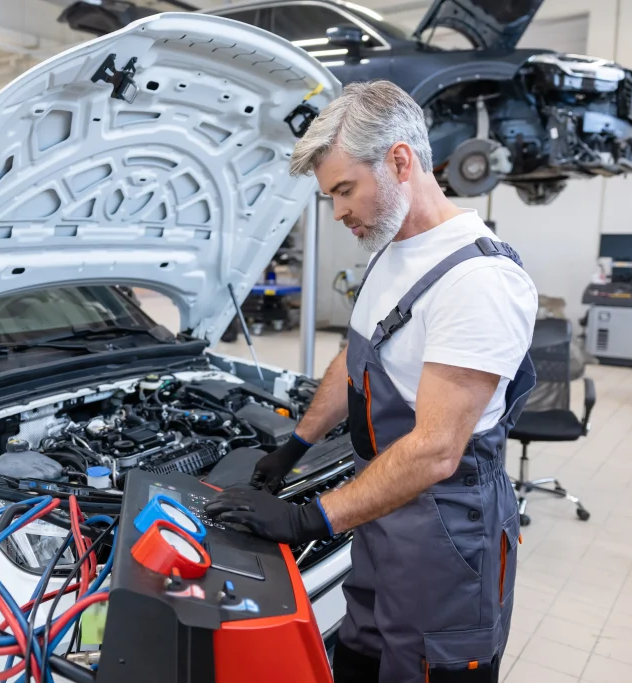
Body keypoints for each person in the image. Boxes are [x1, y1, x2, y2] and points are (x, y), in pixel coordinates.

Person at [205, 81, 538, 683]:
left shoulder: (477, 280)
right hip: (382, 516)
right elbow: (356, 357)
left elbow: (437, 450)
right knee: (360, 658)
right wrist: (296, 446)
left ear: (400, 160)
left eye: (343, 190)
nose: (338, 212)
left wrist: (311, 520)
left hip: (447, 532)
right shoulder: (393, 251)